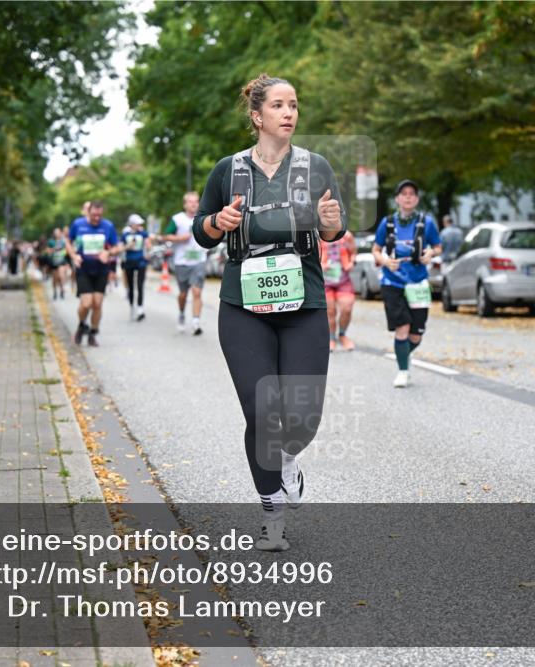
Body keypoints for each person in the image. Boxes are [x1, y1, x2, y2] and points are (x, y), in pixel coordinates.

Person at [193, 73, 346, 551]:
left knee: (300, 416)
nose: (289, 113)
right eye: (278, 105)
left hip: (304, 301)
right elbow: (201, 229)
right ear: (257, 116)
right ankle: (271, 514)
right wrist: (219, 222)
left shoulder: (315, 166)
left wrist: (331, 225)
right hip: (244, 304)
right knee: (261, 411)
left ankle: (288, 458)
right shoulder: (229, 170)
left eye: (294, 105)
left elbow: (333, 230)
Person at [371, 180, 442, 388]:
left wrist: (430, 253)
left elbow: (437, 247)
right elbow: (376, 249)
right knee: (401, 328)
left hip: (418, 283)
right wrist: (385, 261)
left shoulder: (426, 222)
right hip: (392, 282)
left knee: (416, 335)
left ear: (417, 199)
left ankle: (403, 354)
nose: (408, 197)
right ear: (397, 199)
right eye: (404, 193)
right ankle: (403, 371)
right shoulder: (388, 222)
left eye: (412, 193)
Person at [66, 201, 120, 347]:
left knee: (97, 303)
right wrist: (73, 256)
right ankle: (81, 324)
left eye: (100, 215)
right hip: (83, 268)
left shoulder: (108, 226)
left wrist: (108, 252)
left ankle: (93, 332)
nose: (97, 218)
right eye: (94, 215)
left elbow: (117, 246)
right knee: (86, 303)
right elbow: (68, 242)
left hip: (101, 269)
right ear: (88, 212)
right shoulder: (78, 224)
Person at [163, 191, 207, 334]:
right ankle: (181, 313)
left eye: (196, 201)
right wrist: (179, 238)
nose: (194, 204)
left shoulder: (203, 217)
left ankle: (196, 322)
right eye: (190, 201)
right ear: (185, 204)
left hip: (199, 260)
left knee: (197, 291)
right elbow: (166, 236)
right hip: (182, 262)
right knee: (183, 294)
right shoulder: (177, 219)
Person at [318, 231, 358, 351]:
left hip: (343, 279)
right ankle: (331, 338)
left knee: (347, 308)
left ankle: (342, 335)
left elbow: (354, 254)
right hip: (325, 281)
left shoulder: (347, 236)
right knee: (330, 311)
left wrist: (352, 263)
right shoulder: (318, 236)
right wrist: (321, 265)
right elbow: (312, 258)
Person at [121, 214, 151, 321]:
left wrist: (148, 247)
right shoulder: (125, 235)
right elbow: (120, 248)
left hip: (141, 262)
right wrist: (127, 246)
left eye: (139, 223)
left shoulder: (143, 234)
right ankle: (132, 306)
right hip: (129, 262)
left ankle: (140, 309)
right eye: (137, 223)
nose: (139, 225)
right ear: (131, 224)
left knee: (140, 285)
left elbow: (148, 245)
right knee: (131, 286)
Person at [47, 227, 70, 299]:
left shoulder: (63, 241)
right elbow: (48, 252)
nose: (56, 234)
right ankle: (55, 292)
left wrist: (63, 252)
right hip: (53, 262)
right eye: (55, 233)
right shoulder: (51, 242)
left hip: (62, 261)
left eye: (58, 232)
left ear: (60, 233)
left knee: (61, 276)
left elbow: (67, 251)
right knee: (55, 278)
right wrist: (54, 249)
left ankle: (62, 289)